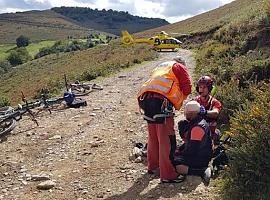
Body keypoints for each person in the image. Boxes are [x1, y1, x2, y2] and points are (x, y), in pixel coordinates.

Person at [137, 56, 192, 183]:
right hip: (162, 104)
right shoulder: (179, 67)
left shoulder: (162, 66)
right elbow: (187, 88)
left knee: (153, 136)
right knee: (166, 139)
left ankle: (154, 167)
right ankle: (168, 175)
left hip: (145, 100)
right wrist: (177, 101)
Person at [175, 100, 213, 185]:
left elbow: (192, 149)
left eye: (187, 112)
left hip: (201, 158)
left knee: (175, 163)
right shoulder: (198, 122)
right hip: (202, 154)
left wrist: (179, 154)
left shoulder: (197, 127)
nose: (185, 115)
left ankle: (201, 171)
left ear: (192, 113)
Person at [193, 76, 222, 144]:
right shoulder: (194, 101)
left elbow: (215, 113)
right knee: (182, 124)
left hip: (210, 132)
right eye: (200, 87)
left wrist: (205, 112)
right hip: (196, 131)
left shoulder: (215, 102)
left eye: (204, 87)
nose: (202, 90)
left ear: (209, 89)